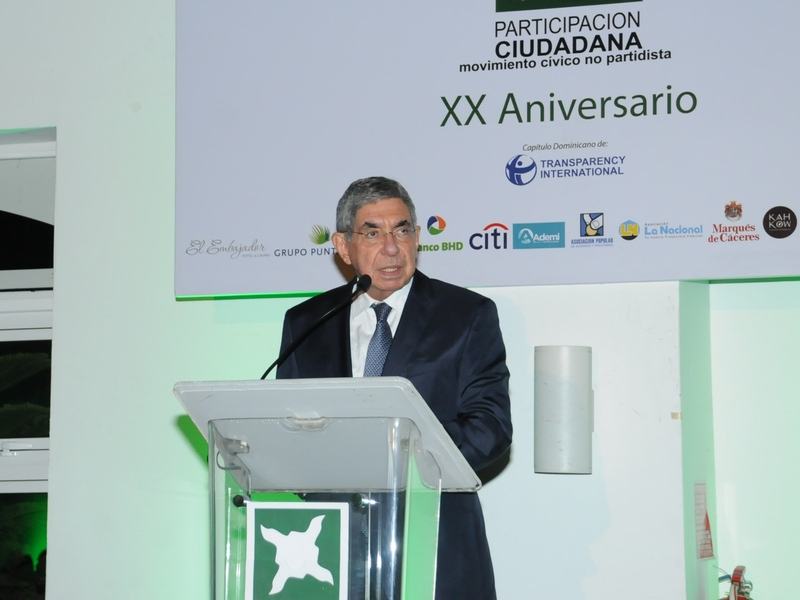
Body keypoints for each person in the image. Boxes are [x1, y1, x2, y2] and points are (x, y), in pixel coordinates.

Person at [277, 176, 512, 600]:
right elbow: (290, 431)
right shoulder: (307, 322)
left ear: (417, 237)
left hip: (437, 544)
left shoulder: (466, 315)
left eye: (401, 230)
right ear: (343, 246)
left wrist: (397, 454)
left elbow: (490, 427)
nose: (391, 247)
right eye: (372, 233)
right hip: (334, 550)